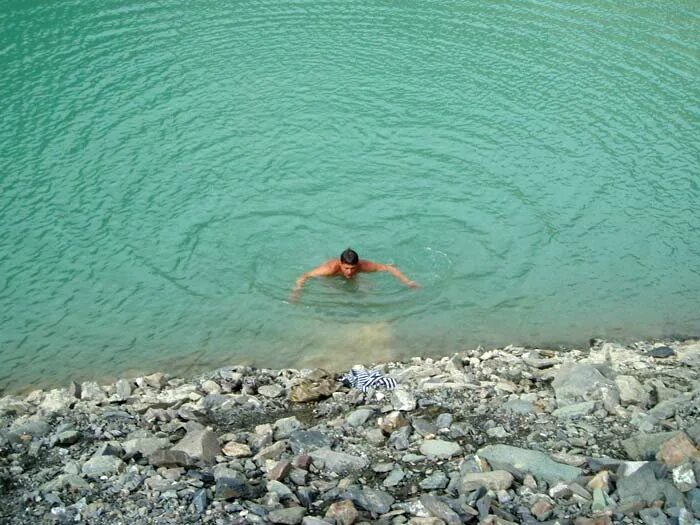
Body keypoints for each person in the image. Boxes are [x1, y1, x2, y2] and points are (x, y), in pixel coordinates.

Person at [291, 248, 418, 300]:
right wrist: (297, 290)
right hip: (332, 277)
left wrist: (408, 282)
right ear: (341, 263)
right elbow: (305, 275)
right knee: (330, 291)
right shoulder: (330, 269)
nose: (350, 271)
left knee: (367, 288)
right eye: (346, 268)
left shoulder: (363, 266)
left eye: (353, 268)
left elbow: (389, 268)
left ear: (358, 264)